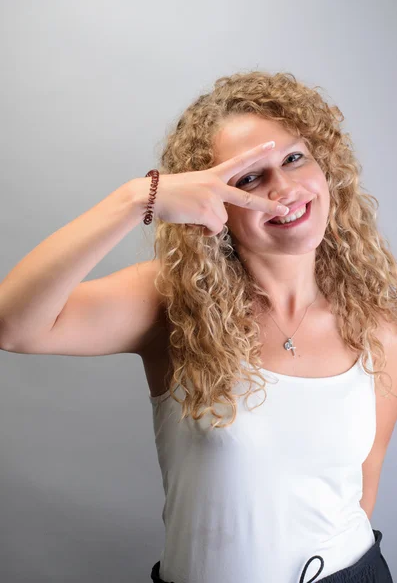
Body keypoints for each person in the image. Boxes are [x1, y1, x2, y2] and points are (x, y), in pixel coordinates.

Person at [0, 70, 395, 582]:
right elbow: (14, 325)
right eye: (249, 178)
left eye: (294, 158)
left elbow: (361, 489)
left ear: (326, 168)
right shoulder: (173, 303)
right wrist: (137, 197)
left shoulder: (377, 326)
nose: (283, 189)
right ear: (214, 203)